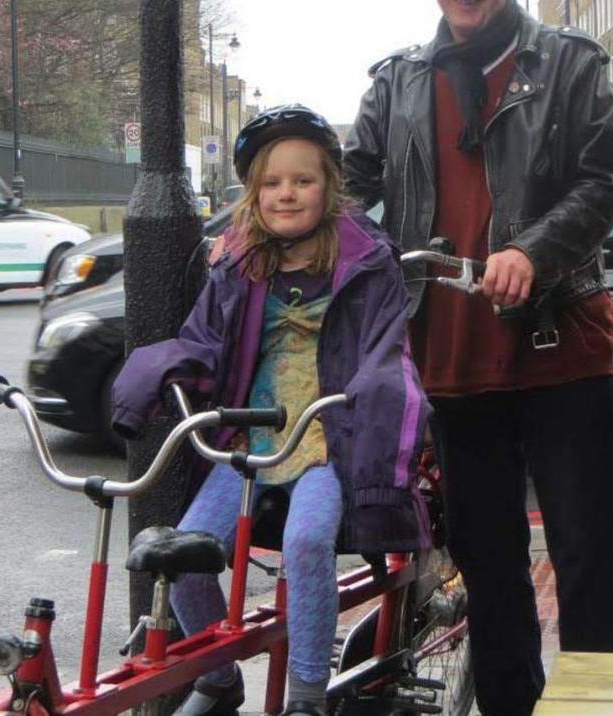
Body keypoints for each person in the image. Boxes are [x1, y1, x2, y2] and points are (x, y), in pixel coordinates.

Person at [342, 0, 613, 715]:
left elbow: (602, 182)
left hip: (560, 349)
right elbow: (352, 192)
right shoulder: (397, 82)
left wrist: (531, 252)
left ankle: (601, 707)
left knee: (587, 558)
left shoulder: (570, 65)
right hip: (450, 359)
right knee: (490, 563)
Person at [109, 104, 431, 716]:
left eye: (303, 181)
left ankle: (306, 695)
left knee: (309, 542)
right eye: (272, 183)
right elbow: (204, 342)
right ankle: (219, 674)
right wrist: (150, 373)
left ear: (329, 188)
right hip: (249, 442)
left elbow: (386, 354)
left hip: (324, 437)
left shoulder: (366, 262)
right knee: (186, 553)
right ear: (254, 193)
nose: (287, 194)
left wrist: (377, 405)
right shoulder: (237, 262)